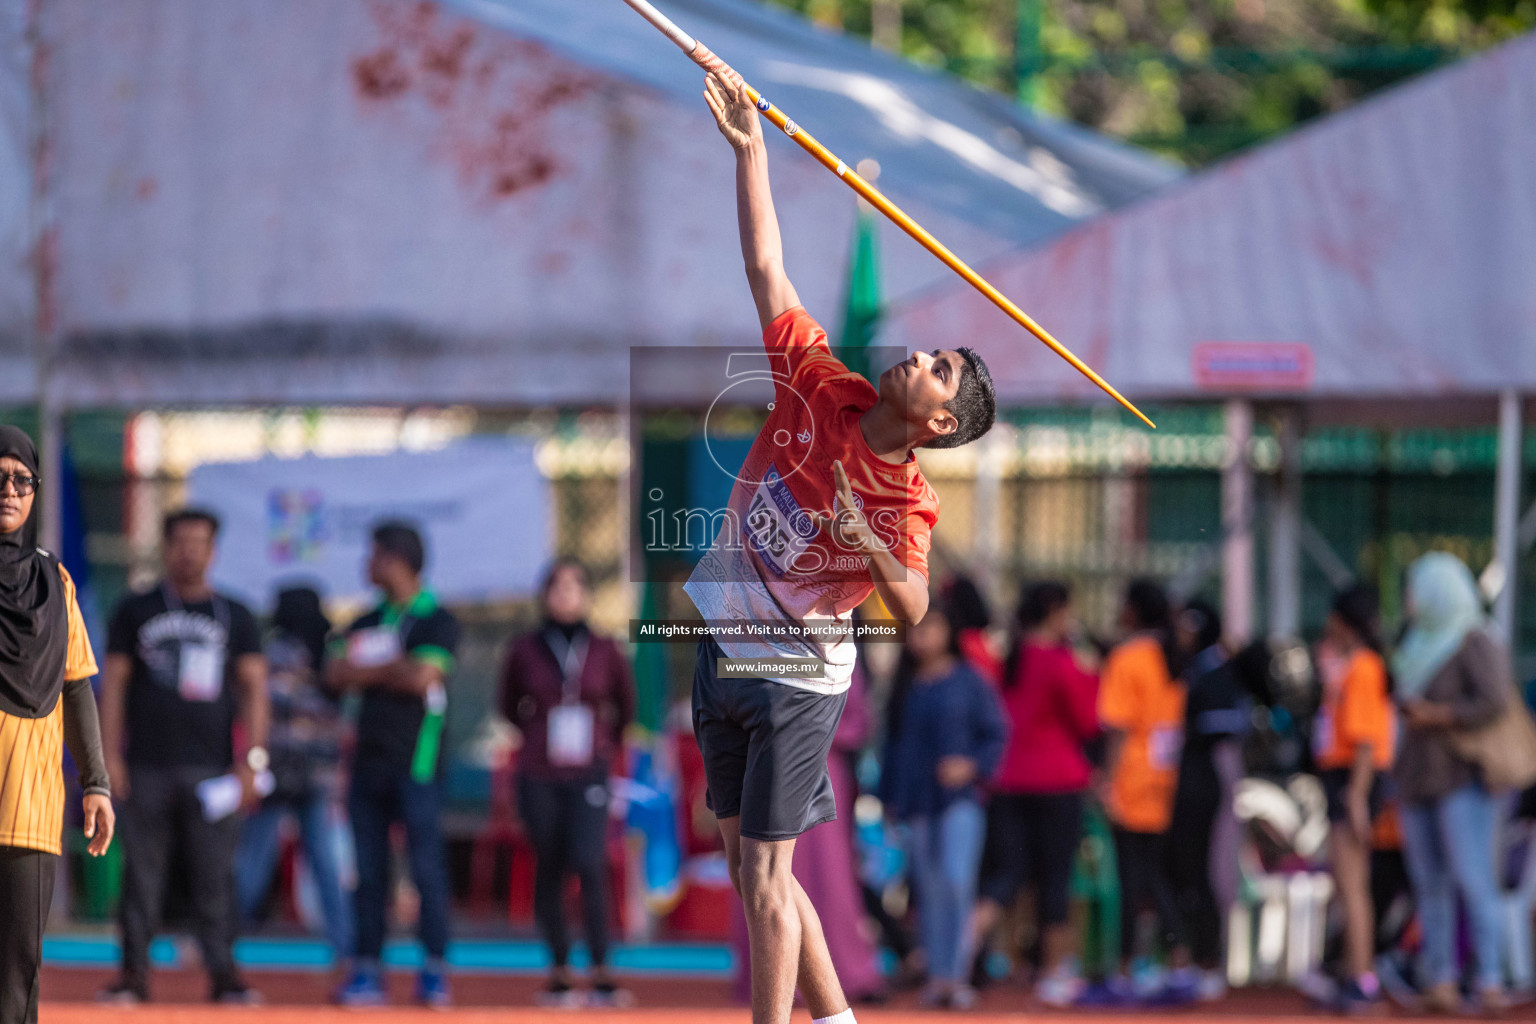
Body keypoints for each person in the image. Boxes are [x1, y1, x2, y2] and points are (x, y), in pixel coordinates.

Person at [686, 70, 996, 1024]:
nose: (918, 357)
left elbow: (911, 610)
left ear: (940, 423)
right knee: (750, 874)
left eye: (938, 370)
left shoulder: (907, 496)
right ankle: (838, 1020)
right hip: (723, 641)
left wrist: (866, 536)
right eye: (930, 352)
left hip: (794, 676)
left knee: (771, 883)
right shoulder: (823, 385)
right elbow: (766, 272)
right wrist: (751, 156)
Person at [98, 508, 269, 1006]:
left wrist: (253, 760)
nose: (190, 550)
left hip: (213, 770)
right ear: (166, 547)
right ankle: (133, 978)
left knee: (215, 876)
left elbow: (256, 689)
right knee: (141, 877)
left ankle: (225, 978)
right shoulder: (136, 609)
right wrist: (110, 757)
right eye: (180, 541)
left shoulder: (236, 615)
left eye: (200, 542)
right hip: (147, 765)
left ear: (213, 550)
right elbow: (115, 686)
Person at [0, 426, 114, 1024]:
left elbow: (76, 686)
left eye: (22, 479)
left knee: (17, 973)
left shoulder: (55, 581)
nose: (9, 490)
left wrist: (96, 782)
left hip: (31, 802)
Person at [330, 521, 460, 1008]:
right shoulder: (365, 620)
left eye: (374, 554)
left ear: (397, 561)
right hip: (367, 764)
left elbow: (423, 678)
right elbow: (336, 673)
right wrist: (391, 669)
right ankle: (367, 970)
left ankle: (433, 969)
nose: (366, 564)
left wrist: (371, 673)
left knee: (426, 869)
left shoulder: (437, 620)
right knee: (368, 872)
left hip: (418, 764)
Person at [499, 558, 636, 1008]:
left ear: (587, 596)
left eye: (574, 588)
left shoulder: (604, 648)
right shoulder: (525, 648)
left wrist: (602, 748)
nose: (565, 596)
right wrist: (537, 737)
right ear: (544, 595)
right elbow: (507, 705)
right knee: (550, 864)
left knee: (590, 861)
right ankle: (559, 970)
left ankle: (601, 970)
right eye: (556, 588)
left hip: (590, 772)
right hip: (539, 773)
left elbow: (626, 706)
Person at [1392, 552, 1511, 1014]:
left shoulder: (1474, 638)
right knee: (1429, 883)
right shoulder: (1416, 640)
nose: (1410, 598)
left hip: (1463, 777)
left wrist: (1439, 715)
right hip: (1417, 776)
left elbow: (1494, 700)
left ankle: (1491, 979)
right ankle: (1439, 977)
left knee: (1473, 877)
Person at [969, 580, 1098, 1007]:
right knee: (1056, 878)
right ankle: (1054, 971)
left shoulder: (1010, 659)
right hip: (1058, 782)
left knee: (1008, 875)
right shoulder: (1061, 661)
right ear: (1056, 612)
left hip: (1009, 781)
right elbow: (1087, 720)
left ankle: (961, 946)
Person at [881, 605, 1008, 1009]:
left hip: (960, 800)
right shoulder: (905, 685)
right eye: (914, 629)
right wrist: (887, 801)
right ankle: (938, 978)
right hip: (916, 802)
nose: (921, 637)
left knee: (956, 881)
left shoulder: (970, 681)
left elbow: (997, 733)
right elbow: (892, 746)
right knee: (929, 888)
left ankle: (957, 975)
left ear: (949, 631)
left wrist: (971, 765)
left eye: (930, 627)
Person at [233, 585, 351, 962]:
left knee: (254, 858)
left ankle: (221, 937)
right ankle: (345, 945)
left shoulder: (279, 651)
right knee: (324, 864)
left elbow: (265, 702)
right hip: (318, 773)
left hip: (280, 771)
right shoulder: (329, 654)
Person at [1096, 579, 1184, 1002]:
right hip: (1163, 775)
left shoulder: (1127, 657)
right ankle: (1178, 954)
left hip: (1131, 774)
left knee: (1131, 875)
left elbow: (1117, 726)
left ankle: (1130, 964)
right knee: (1153, 871)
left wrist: (1107, 782)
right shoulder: (1172, 655)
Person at [1311, 584, 1394, 1010]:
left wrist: (1358, 797)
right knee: (1344, 885)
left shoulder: (1364, 667)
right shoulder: (1350, 666)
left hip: (1353, 780)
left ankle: (1363, 978)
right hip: (1344, 778)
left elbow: (1365, 741)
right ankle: (1352, 973)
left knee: (1353, 883)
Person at [1163, 599, 1247, 1005]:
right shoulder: (1196, 669)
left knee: (1210, 872)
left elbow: (1222, 737)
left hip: (1208, 783)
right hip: (1190, 782)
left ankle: (1211, 960)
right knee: (1187, 871)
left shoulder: (1215, 672)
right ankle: (1193, 960)